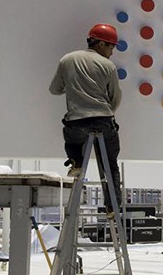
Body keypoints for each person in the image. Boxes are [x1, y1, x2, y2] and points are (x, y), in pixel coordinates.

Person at [49, 24, 123, 211]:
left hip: (76, 123)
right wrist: (105, 113)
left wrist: (74, 88)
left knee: (73, 143)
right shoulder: (108, 66)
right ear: (100, 44)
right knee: (110, 164)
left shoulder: (67, 60)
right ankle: (113, 207)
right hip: (103, 121)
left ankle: (76, 162)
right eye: (111, 47)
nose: (112, 52)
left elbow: (54, 89)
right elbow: (115, 98)